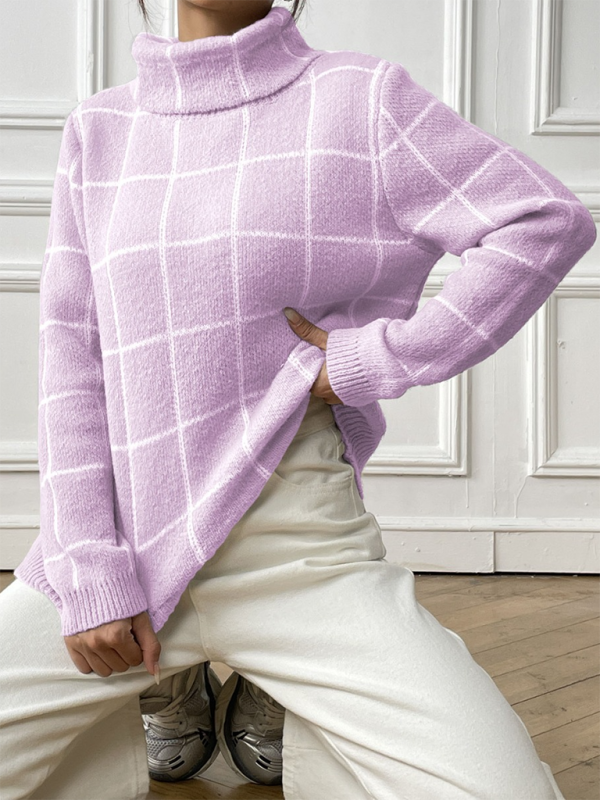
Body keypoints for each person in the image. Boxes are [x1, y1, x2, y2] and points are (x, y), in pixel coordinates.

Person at [0, 0, 595, 797]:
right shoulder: (100, 130)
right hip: (129, 557)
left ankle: (273, 688)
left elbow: (544, 220)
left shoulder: (363, 99)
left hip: (302, 550)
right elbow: (73, 359)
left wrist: (374, 358)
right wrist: (90, 570)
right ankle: (180, 685)